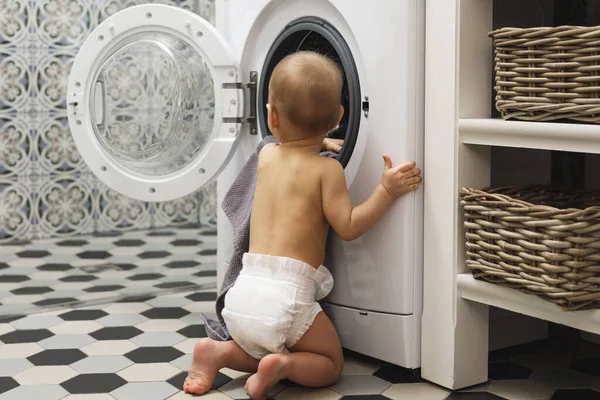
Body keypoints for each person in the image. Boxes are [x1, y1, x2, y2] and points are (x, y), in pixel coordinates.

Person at [184, 51, 422, 399]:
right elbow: (349, 226)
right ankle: (281, 367)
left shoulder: (265, 155)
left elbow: (284, 144)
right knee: (329, 362)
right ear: (340, 117)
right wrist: (386, 190)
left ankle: (216, 352)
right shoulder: (328, 171)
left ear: (272, 116)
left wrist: (314, 138)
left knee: (259, 346)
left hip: (244, 293)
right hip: (289, 299)